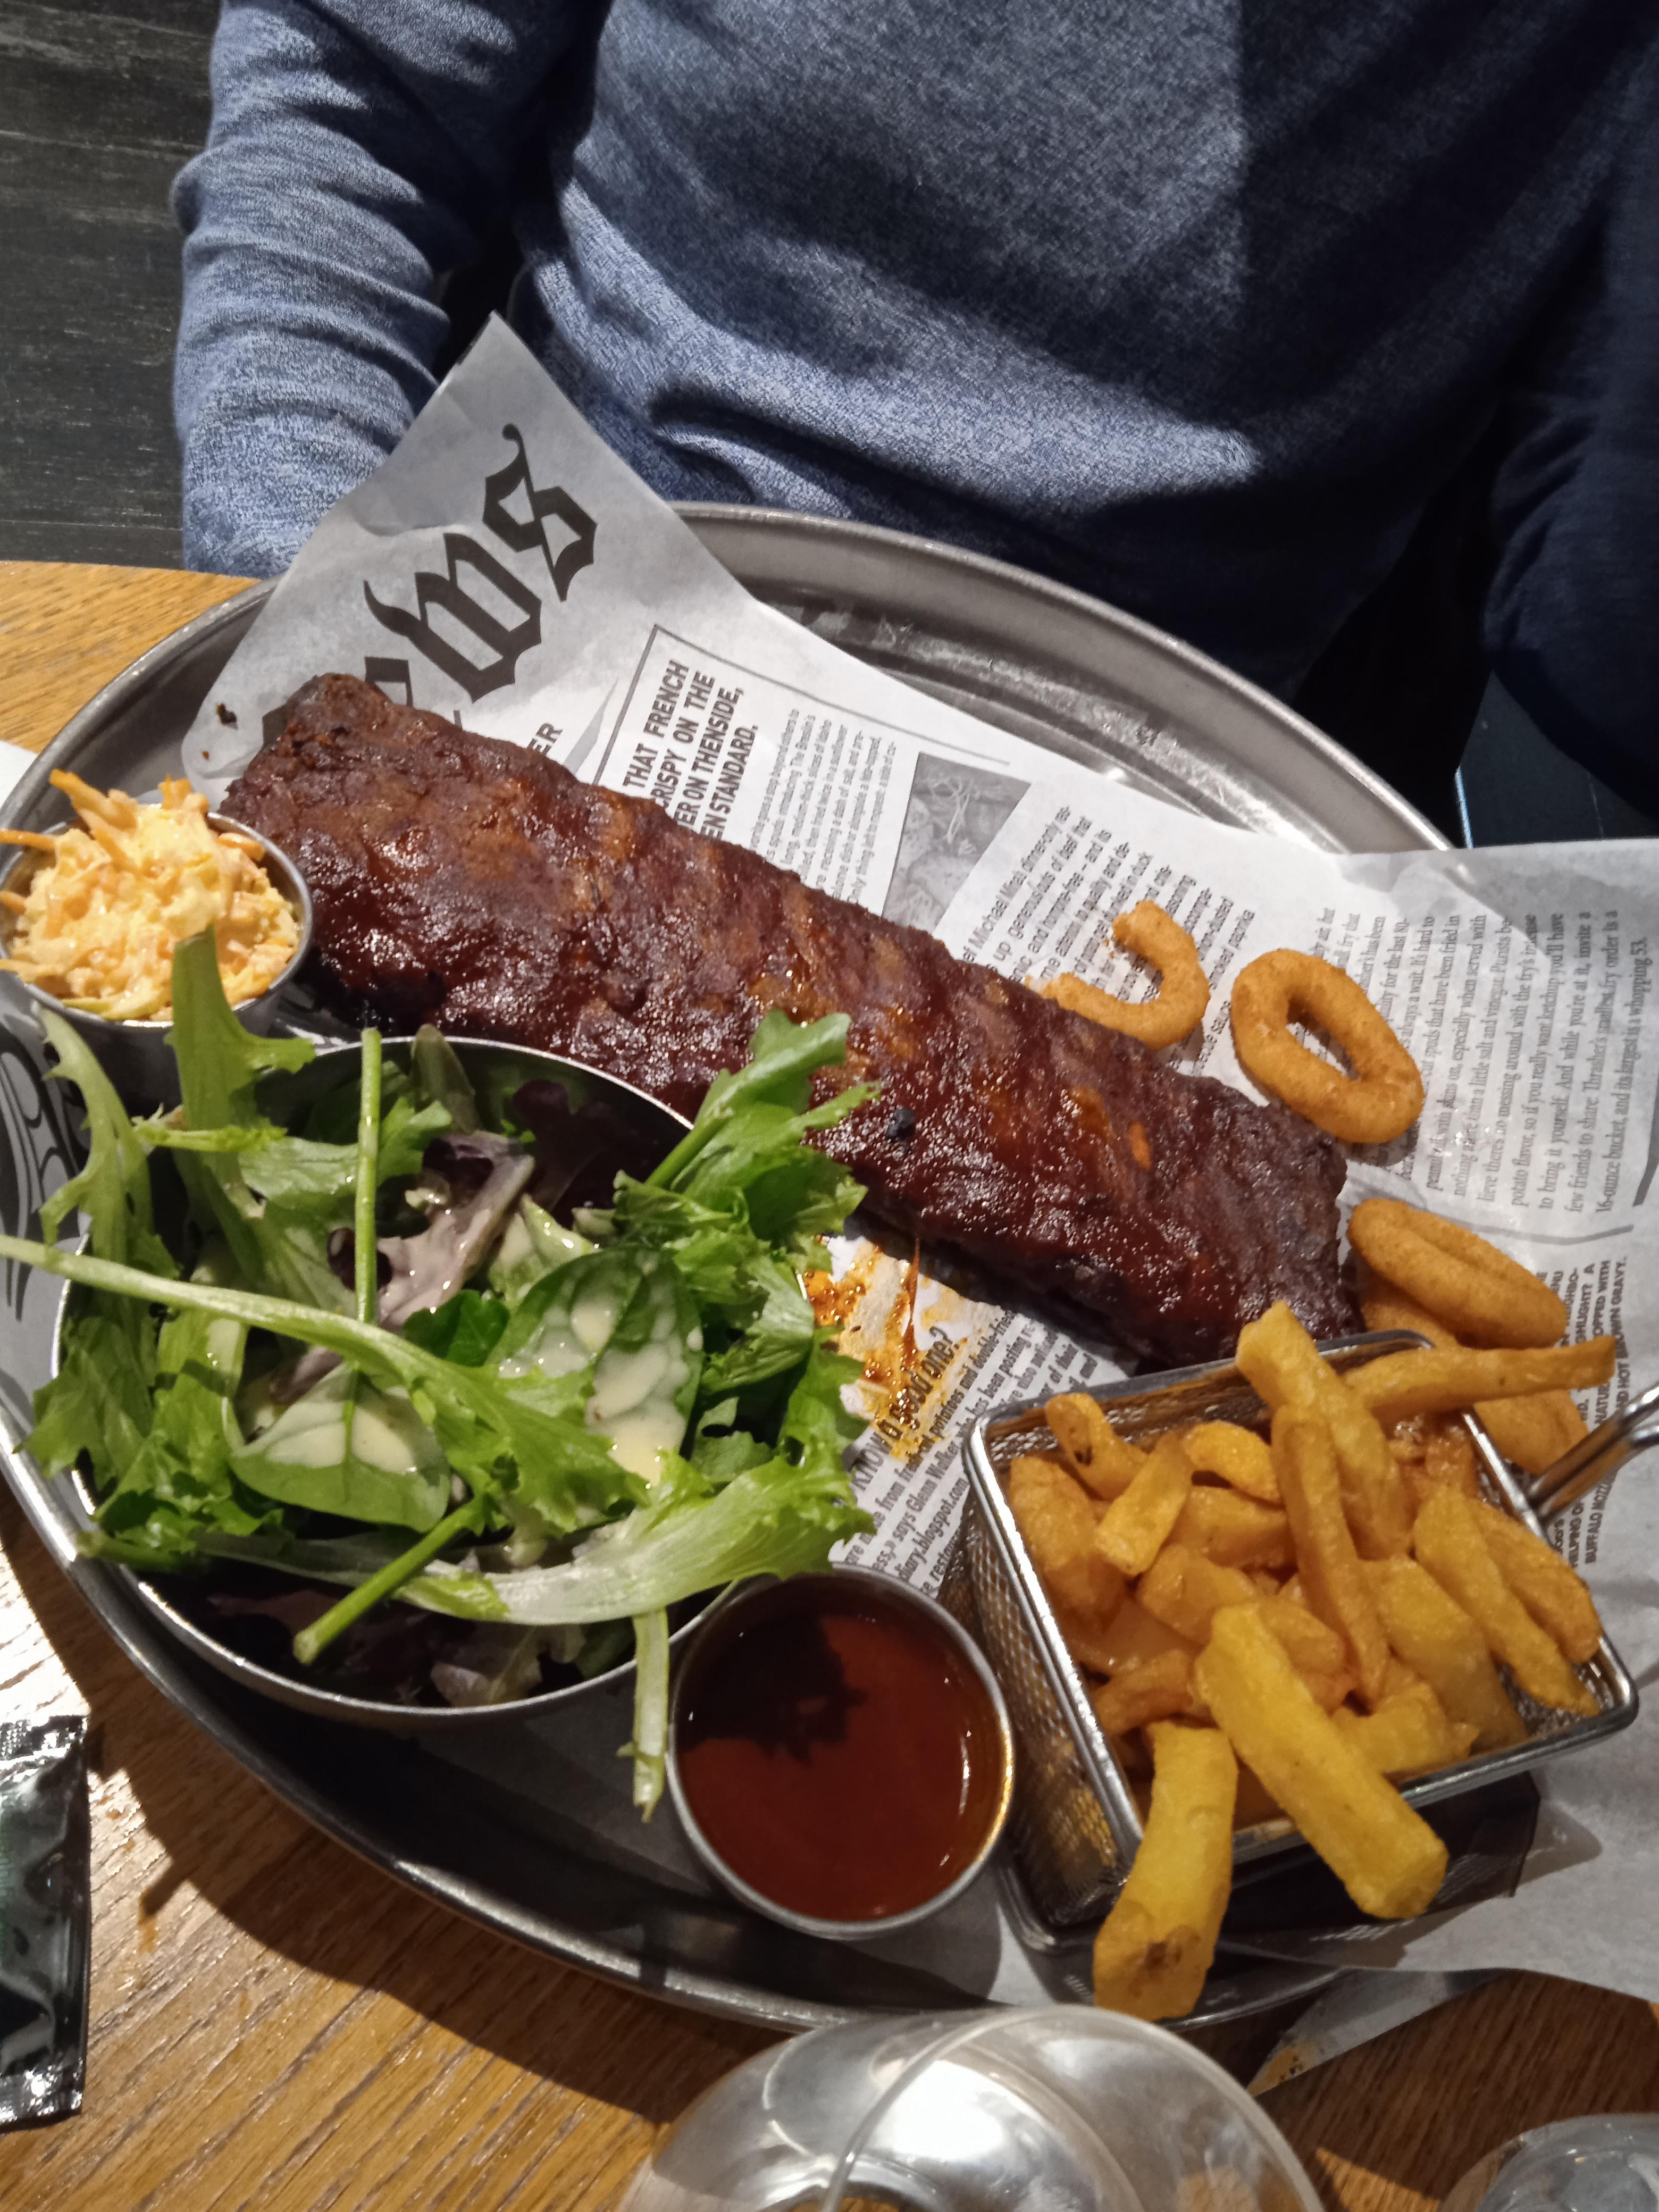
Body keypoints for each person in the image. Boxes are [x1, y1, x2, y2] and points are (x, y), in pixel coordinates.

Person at [173, 2, 1659, 808]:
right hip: (535, 615)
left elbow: (1599, 666)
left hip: (1140, 802)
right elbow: (348, 100)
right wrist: (299, 636)